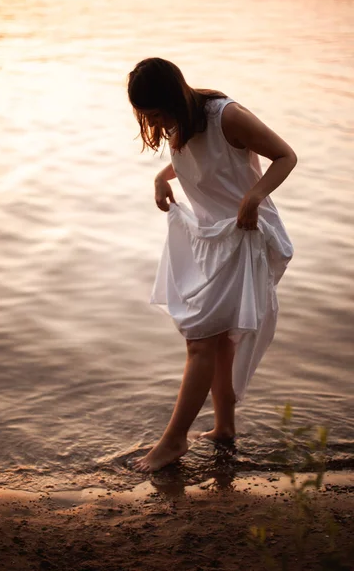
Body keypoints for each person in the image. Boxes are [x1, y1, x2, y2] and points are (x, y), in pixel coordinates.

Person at [127, 57, 296, 473]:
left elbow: (285, 156)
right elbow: (197, 161)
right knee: (217, 341)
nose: (154, 122)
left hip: (243, 235)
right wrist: (161, 177)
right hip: (209, 235)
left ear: (172, 98)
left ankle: (174, 441)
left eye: (156, 113)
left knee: (200, 340)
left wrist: (254, 197)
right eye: (147, 115)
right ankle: (224, 430)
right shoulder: (178, 119)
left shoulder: (228, 116)